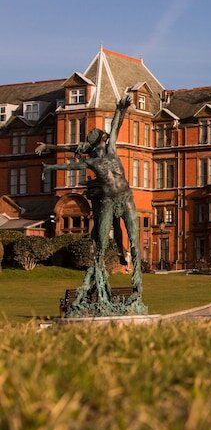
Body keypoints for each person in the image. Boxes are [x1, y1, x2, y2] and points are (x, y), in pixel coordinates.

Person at [39, 96, 142, 298]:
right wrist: (50, 161)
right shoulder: (92, 162)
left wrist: (120, 110)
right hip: (109, 200)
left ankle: (136, 275)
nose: (92, 133)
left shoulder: (111, 149)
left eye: (93, 133)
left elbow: (114, 127)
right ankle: (98, 270)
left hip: (125, 197)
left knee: (134, 237)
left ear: (98, 140)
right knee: (101, 240)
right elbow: (69, 163)